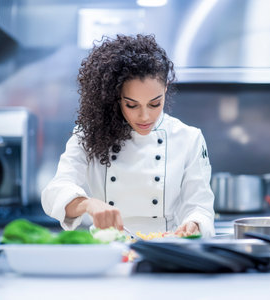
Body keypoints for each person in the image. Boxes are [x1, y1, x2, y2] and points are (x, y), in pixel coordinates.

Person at [41, 34, 215, 237]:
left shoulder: (189, 138)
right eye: (132, 105)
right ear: (116, 97)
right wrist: (87, 204)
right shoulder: (89, 134)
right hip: (109, 250)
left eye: (155, 103)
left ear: (166, 89)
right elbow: (55, 191)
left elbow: (200, 206)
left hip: (165, 250)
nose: (145, 116)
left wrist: (194, 223)